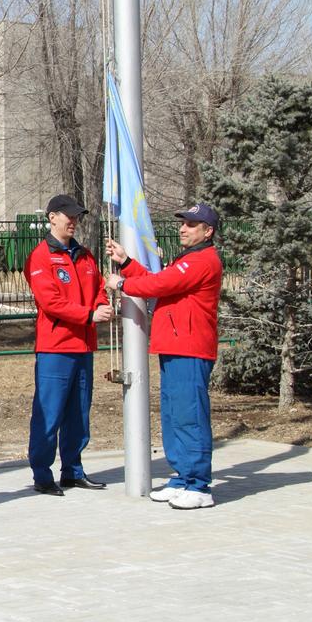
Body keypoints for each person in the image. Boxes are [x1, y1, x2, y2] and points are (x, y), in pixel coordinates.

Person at [106, 202, 224, 510]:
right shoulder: (187, 259)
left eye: (190, 224)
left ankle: (199, 485)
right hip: (174, 346)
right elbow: (160, 283)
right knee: (173, 416)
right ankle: (182, 478)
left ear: (207, 231)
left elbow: (160, 284)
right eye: (182, 223)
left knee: (190, 417)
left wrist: (122, 283)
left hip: (191, 347)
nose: (182, 228)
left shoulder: (202, 260)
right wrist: (127, 262)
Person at [25, 194, 113, 496]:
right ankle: (42, 473)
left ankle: (73, 470)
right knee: (49, 413)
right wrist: (89, 315)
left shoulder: (84, 255)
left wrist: (102, 304)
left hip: (83, 348)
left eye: (76, 216)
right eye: (68, 216)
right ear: (52, 218)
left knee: (79, 413)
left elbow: (99, 288)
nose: (73, 221)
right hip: (56, 348)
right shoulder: (40, 257)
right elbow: (51, 302)